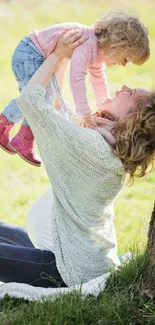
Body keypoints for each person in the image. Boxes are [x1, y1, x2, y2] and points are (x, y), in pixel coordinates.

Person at [0, 29, 154, 289]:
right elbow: (58, 109)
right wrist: (63, 57)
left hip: (65, 269)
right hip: (61, 250)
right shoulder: (105, 143)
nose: (125, 86)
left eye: (131, 94)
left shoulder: (95, 149)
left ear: (131, 121)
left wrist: (57, 55)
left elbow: (32, 101)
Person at [0, 12, 149, 167]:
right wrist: (84, 113)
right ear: (117, 45)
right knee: (39, 97)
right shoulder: (88, 44)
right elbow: (76, 79)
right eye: (126, 59)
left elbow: (98, 79)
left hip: (33, 54)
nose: (124, 65)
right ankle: (17, 134)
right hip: (30, 54)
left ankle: (17, 134)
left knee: (38, 97)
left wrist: (103, 104)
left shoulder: (97, 50)